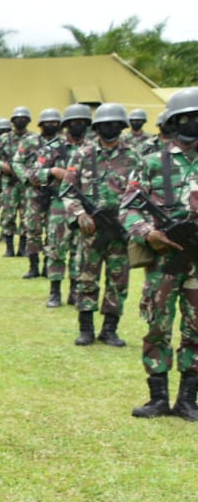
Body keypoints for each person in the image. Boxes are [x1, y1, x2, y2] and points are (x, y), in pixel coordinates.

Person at [122, 88, 198, 420]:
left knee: (196, 329)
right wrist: (147, 233)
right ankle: (158, 398)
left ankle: (187, 399)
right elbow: (128, 208)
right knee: (157, 326)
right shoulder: (153, 162)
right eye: (188, 118)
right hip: (164, 260)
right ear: (174, 121)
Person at [61, 103, 141, 347]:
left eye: (116, 124)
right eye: (106, 124)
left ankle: (110, 329)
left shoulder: (133, 156)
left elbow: (142, 194)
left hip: (120, 229)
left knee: (118, 280)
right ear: (96, 127)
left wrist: (132, 221)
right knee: (86, 278)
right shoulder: (83, 155)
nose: (111, 128)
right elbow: (67, 190)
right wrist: (79, 214)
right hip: (91, 229)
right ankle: (86, 329)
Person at [36, 104, 92, 308]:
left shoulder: (93, 148)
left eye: (83, 122)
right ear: (67, 125)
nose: (79, 126)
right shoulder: (53, 148)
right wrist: (51, 171)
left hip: (85, 205)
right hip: (59, 204)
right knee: (56, 249)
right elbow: (33, 174)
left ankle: (75, 291)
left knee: (81, 250)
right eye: (74, 123)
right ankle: (55, 292)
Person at [14, 108, 63, 280]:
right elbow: (17, 162)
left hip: (57, 193)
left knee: (53, 231)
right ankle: (33, 266)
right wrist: (27, 178)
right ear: (41, 124)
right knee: (33, 229)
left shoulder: (64, 143)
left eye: (55, 123)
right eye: (48, 123)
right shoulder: (30, 141)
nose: (51, 125)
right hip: (34, 192)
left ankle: (48, 267)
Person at [0, 107, 34, 257]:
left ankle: (23, 247)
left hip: (27, 183)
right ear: (12, 122)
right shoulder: (4, 138)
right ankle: (9, 247)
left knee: (27, 215)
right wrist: (2, 165)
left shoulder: (34, 139)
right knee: (9, 215)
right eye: (17, 119)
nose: (20, 121)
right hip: (10, 183)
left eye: (24, 119)